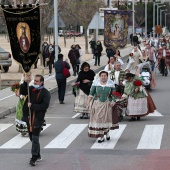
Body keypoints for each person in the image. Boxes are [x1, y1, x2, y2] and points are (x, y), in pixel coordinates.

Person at [20, 74, 51, 166]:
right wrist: (26, 81)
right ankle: (38, 154)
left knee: (35, 136)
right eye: (35, 81)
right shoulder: (30, 89)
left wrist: (33, 106)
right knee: (31, 137)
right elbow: (22, 91)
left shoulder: (45, 93)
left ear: (41, 82)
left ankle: (33, 158)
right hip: (28, 116)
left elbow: (45, 106)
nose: (35, 82)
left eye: (37, 81)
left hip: (38, 117)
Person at [87, 70, 119, 143]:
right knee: (98, 119)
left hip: (107, 103)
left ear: (107, 77)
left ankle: (107, 132)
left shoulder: (111, 84)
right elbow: (91, 94)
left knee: (106, 119)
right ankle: (100, 136)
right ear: (100, 76)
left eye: (105, 76)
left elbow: (114, 94)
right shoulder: (95, 83)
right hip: (97, 104)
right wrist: (88, 103)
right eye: (102, 76)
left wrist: (113, 101)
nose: (103, 77)